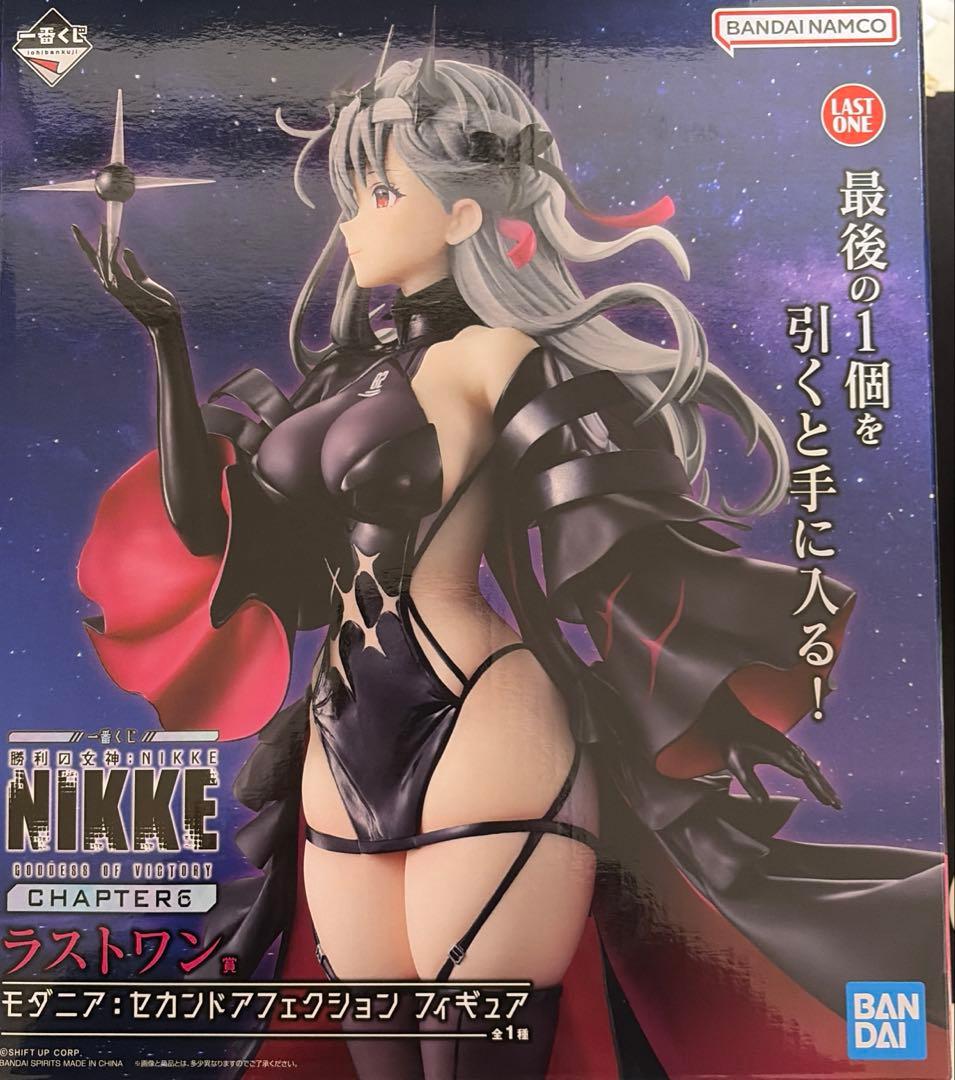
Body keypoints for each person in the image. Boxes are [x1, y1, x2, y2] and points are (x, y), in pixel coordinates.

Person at [74, 31, 947, 1080]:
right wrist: (165, 338)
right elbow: (213, 531)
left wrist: (730, 638)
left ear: (463, 214)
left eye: (377, 192)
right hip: (337, 746)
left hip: (480, 711)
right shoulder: (340, 377)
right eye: (351, 194)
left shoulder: (499, 354)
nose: (349, 219)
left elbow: (609, 521)